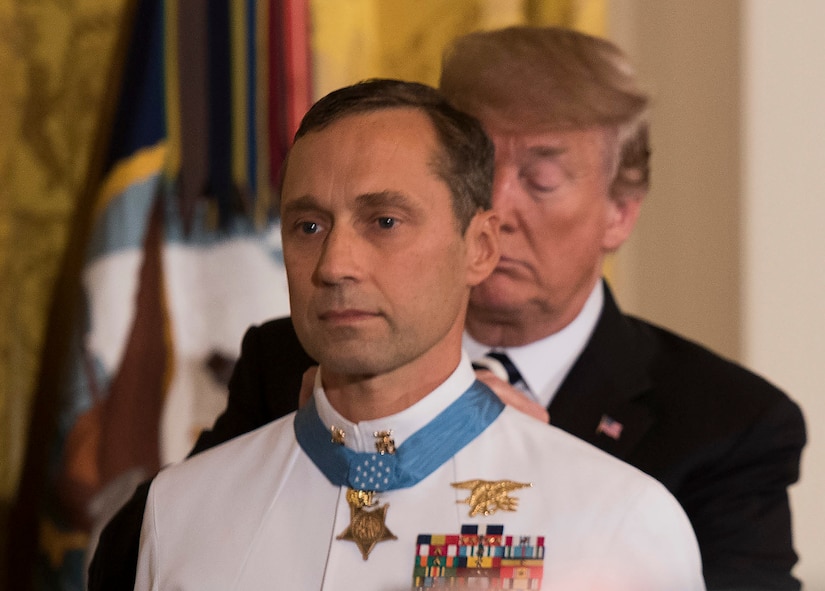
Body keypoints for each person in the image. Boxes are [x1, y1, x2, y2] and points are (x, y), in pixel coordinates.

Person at [90, 26, 806, 591]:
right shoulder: (286, 362)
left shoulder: (687, 458)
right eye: (482, 169)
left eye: (543, 177)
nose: (338, 264)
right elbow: (176, 544)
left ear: (618, 213)